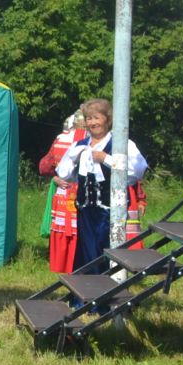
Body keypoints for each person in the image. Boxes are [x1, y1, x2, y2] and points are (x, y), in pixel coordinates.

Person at [55, 98, 149, 274]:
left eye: (96, 118)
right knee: (86, 251)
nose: (92, 122)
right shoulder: (80, 146)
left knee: (105, 251)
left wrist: (106, 158)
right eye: (89, 118)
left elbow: (137, 171)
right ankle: (84, 297)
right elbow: (64, 174)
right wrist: (74, 158)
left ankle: (106, 295)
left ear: (107, 119)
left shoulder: (121, 144)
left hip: (110, 211)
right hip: (85, 210)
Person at [38, 108, 88, 274]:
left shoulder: (61, 139)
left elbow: (44, 167)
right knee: (83, 230)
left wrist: (55, 176)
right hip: (86, 193)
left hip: (63, 191)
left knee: (63, 231)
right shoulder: (94, 140)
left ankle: (60, 266)